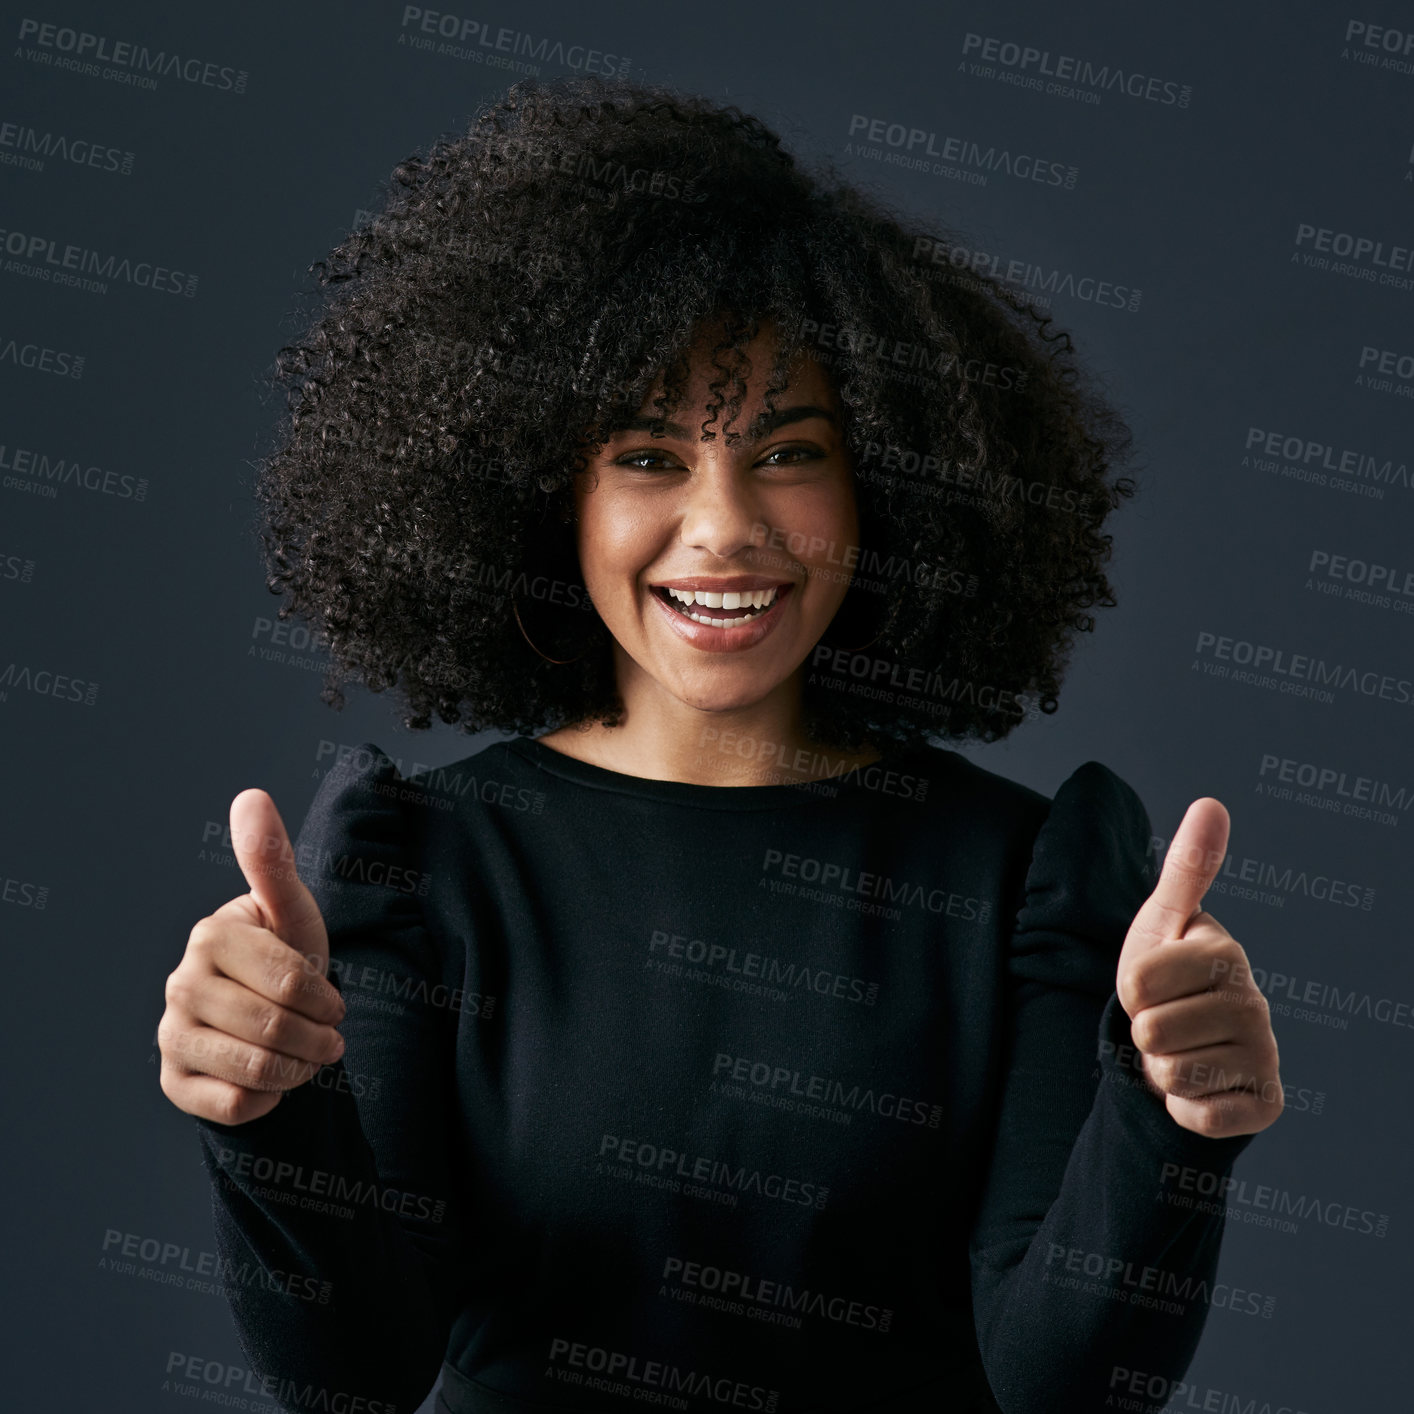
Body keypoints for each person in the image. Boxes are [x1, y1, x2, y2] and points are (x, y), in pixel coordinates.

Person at [156, 75, 1283, 1414]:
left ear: (887, 487)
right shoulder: (423, 869)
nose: (724, 526)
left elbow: (1064, 1385)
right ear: (542, 493)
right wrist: (264, 1116)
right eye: (646, 456)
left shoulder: (1018, 881)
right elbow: (357, 1377)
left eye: (788, 452)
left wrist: (1174, 1122)